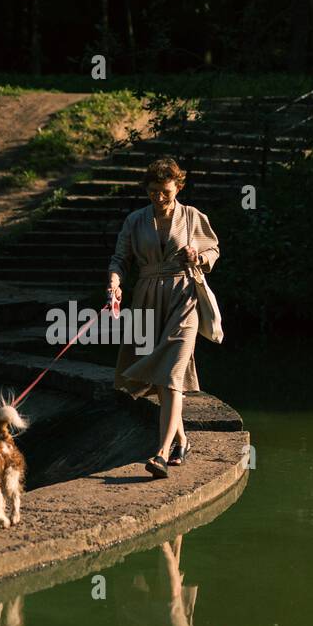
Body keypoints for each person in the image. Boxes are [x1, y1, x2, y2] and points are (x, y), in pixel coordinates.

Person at [107, 156, 220, 478]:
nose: (159, 198)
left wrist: (198, 256)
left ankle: (159, 453)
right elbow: (119, 259)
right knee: (160, 380)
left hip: (184, 297)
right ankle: (182, 441)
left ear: (178, 187)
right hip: (146, 300)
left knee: (171, 373)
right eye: (153, 191)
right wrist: (114, 283)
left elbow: (213, 250)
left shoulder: (194, 217)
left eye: (165, 192)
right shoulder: (135, 220)